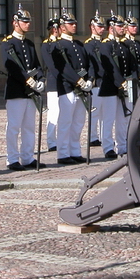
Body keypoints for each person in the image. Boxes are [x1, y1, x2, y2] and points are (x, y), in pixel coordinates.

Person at [1, 4, 46, 170]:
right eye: (24, 21)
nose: (27, 24)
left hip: (30, 92)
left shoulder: (29, 44)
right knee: (14, 127)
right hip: (16, 91)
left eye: (28, 21)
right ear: (15, 23)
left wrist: (40, 79)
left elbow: (36, 64)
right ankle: (12, 159)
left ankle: (28, 157)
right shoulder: (8, 43)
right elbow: (12, 67)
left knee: (29, 127)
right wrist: (28, 80)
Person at [52, 9, 90, 165]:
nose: (74, 26)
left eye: (74, 23)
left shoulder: (78, 45)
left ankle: (75, 151)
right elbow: (63, 68)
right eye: (70, 24)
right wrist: (78, 81)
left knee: (78, 122)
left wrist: (89, 79)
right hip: (68, 87)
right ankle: (63, 153)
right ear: (62, 27)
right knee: (66, 122)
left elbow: (87, 63)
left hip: (81, 89)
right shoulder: (58, 45)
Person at [98, 12, 137, 158]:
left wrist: (131, 80)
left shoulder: (123, 46)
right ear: (111, 27)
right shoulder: (105, 46)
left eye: (123, 26)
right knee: (108, 120)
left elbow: (131, 65)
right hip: (110, 87)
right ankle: (108, 147)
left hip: (125, 87)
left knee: (123, 119)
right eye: (120, 26)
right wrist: (120, 82)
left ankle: (123, 146)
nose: (123, 28)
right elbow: (110, 67)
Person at [84, 11, 106, 149]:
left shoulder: (104, 43)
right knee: (95, 111)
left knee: (105, 113)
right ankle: (93, 137)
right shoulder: (89, 44)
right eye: (99, 26)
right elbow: (92, 64)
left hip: (106, 82)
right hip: (97, 81)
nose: (102, 29)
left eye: (103, 26)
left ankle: (104, 136)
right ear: (92, 27)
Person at [41, 16, 61, 153]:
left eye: (57, 28)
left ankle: (61, 140)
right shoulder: (47, 44)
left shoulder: (62, 43)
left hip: (65, 83)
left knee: (64, 114)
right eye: (53, 28)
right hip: (54, 81)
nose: (55, 30)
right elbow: (50, 64)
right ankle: (51, 141)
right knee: (53, 113)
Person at [122, 12, 140, 104]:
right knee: (130, 104)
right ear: (126, 28)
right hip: (130, 78)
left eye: (135, 26)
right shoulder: (124, 43)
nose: (135, 28)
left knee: (139, 104)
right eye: (132, 26)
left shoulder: (138, 43)